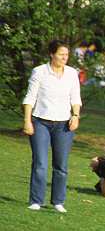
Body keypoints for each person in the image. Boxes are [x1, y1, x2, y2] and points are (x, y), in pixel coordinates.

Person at [22, 39, 82, 213]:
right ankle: (36, 200)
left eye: (67, 54)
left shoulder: (71, 73)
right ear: (51, 54)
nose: (65, 57)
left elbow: (75, 98)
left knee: (61, 165)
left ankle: (58, 201)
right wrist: (27, 121)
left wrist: (76, 116)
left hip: (63, 125)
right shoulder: (39, 72)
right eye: (61, 54)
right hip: (40, 121)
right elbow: (30, 98)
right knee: (40, 162)